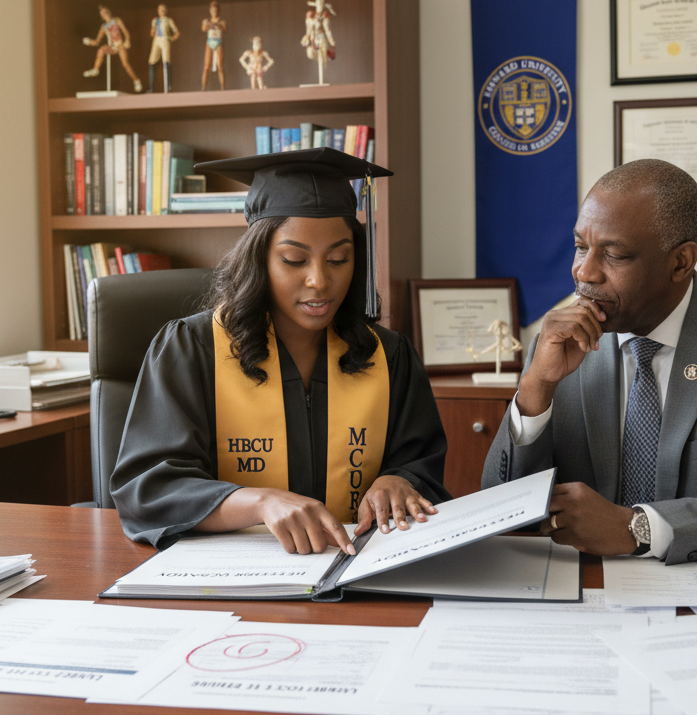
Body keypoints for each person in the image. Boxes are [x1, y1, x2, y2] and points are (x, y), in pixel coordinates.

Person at [480, 160, 697, 564]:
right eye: (581, 247)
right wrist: (535, 390)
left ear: (681, 262)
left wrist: (636, 528)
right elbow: (500, 514)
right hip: (583, 594)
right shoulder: (558, 344)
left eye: (613, 255)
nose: (584, 271)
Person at [113, 149, 450, 553]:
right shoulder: (194, 348)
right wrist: (260, 502)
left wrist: (400, 480)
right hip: (233, 575)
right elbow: (149, 488)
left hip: (359, 566)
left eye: (339, 259)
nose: (319, 281)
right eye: (294, 259)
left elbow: (421, 466)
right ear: (259, 258)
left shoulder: (389, 355)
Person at [83, 5, 143, 93]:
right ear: (101, 16)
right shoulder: (104, 27)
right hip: (111, 46)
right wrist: (89, 42)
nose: (104, 14)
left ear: (108, 12)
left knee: (125, 64)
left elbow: (126, 33)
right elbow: (97, 42)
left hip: (120, 45)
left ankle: (136, 81)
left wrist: (127, 41)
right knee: (101, 50)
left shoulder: (117, 20)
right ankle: (96, 69)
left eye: (105, 12)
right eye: (102, 13)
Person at [148, 4, 180, 93]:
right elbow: (152, 33)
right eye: (160, 9)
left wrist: (171, 38)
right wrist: (152, 31)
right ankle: (151, 87)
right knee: (151, 62)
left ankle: (168, 85)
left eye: (163, 9)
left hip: (165, 40)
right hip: (157, 40)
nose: (161, 11)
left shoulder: (168, 20)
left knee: (166, 62)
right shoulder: (155, 21)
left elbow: (177, 32)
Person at [200, 1, 227, 91]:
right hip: (210, 42)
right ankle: (203, 88)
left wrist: (218, 25)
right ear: (210, 11)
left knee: (220, 66)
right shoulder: (206, 21)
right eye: (212, 11)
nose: (214, 12)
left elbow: (224, 30)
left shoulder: (222, 21)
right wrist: (209, 25)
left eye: (215, 11)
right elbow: (203, 29)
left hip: (218, 41)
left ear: (218, 11)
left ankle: (223, 88)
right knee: (206, 66)